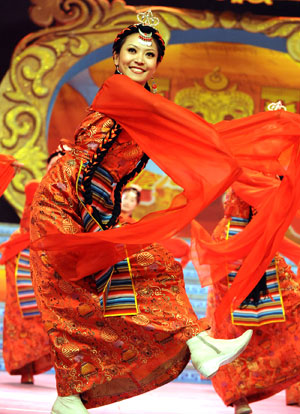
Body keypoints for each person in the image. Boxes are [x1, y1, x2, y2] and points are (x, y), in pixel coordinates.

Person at [30, 13, 253, 414]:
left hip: (89, 206)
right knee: (70, 298)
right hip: (63, 204)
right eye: (131, 50)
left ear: (156, 64)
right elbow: (86, 166)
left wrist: (232, 154)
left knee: (141, 273)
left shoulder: (144, 103)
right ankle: (71, 395)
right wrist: (90, 221)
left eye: (148, 54)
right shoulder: (119, 92)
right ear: (115, 57)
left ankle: (74, 396)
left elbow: (180, 136)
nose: (139, 58)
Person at [193, 181, 300, 414]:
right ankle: (238, 398)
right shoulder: (244, 166)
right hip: (233, 245)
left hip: (261, 245)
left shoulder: (274, 171)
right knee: (231, 325)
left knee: (294, 306)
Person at [1, 180, 52, 384]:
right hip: (24, 255)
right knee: (21, 315)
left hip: (42, 257)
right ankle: (25, 368)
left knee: (41, 317)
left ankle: (32, 365)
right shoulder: (20, 235)